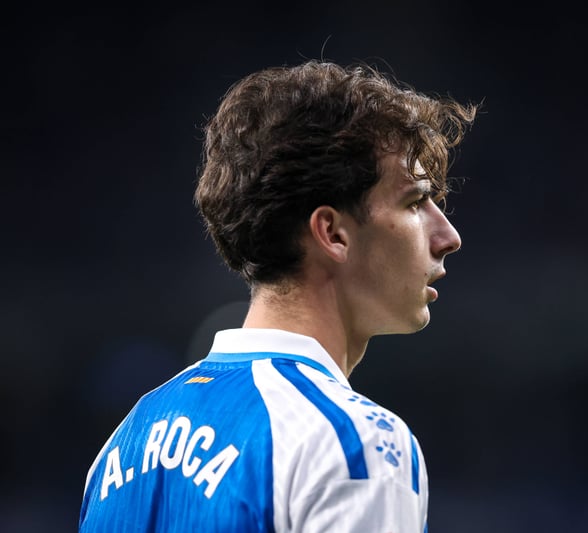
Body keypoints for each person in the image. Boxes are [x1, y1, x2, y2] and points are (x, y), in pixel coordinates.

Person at [78, 59, 477, 532]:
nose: (448, 236)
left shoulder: (125, 443)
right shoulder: (355, 444)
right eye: (414, 202)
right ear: (333, 233)